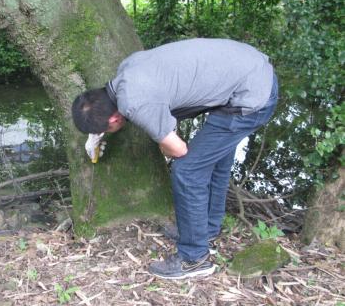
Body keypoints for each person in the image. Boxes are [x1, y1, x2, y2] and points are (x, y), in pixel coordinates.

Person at [71, 38, 278, 280]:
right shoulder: (126, 70)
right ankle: (207, 229)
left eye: (103, 130)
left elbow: (178, 150)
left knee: (187, 171)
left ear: (114, 120)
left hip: (253, 96)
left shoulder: (136, 104)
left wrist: (163, 143)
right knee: (213, 161)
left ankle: (194, 259)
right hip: (252, 69)